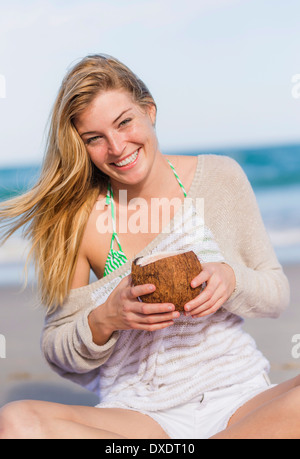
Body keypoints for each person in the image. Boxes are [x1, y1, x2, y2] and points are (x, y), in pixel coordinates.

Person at [0, 54, 298, 440]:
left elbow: (276, 294)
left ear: (149, 110)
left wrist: (231, 279)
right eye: (95, 139)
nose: (117, 146)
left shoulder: (221, 177)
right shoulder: (77, 219)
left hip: (239, 400)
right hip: (140, 414)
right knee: (16, 422)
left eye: (125, 122)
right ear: (82, 145)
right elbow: (59, 348)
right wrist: (106, 317)